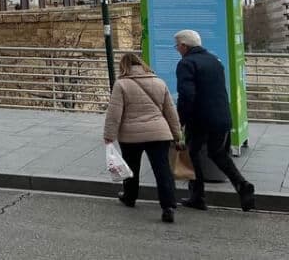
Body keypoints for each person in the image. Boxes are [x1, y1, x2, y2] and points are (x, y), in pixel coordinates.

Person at [174, 29, 256, 212]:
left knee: (192, 154)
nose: (177, 49)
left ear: (184, 46)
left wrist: (180, 120)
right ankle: (242, 185)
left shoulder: (186, 63)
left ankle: (198, 196)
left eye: (177, 46)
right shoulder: (214, 60)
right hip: (222, 117)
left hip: (200, 119)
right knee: (218, 153)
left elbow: (187, 95)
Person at [103, 53, 181, 223]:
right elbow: (170, 112)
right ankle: (168, 206)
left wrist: (109, 136)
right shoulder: (159, 82)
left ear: (123, 66)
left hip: (131, 135)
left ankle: (130, 197)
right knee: (163, 171)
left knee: (131, 169)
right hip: (159, 133)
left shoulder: (121, 84)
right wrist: (177, 135)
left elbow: (114, 113)